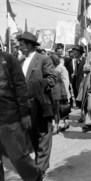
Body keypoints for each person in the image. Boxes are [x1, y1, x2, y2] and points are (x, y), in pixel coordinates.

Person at [18, 32, 57, 178]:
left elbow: (52, 78)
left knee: (43, 136)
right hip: (26, 106)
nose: (19, 48)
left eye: (21, 45)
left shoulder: (43, 59)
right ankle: (38, 165)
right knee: (32, 136)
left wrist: (37, 86)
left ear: (29, 45)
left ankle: (40, 169)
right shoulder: (20, 61)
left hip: (40, 104)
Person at [0, 50, 42, 181]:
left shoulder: (7, 59)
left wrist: (24, 114)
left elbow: (20, 86)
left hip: (9, 117)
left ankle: (35, 177)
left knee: (18, 157)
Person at [49, 54, 70, 134]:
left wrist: (66, 93)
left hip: (60, 91)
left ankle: (57, 125)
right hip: (53, 91)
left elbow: (66, 80)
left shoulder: (61, 68)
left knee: (61, 108)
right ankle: (65, 122)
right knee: (57, 109)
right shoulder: (51, 67)